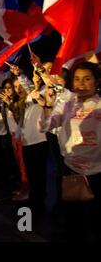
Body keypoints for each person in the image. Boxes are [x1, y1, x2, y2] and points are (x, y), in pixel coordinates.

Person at [40, 61, 101, 241]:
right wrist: (48, 106)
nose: (81, 84)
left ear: (97, 82)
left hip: (98, 173)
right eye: (77, 79)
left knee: (96, 222)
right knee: (74, 221)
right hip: (72, 170)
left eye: (87, 79)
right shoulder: (67, 103)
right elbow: (46, 125)